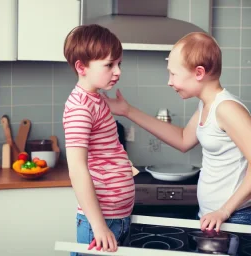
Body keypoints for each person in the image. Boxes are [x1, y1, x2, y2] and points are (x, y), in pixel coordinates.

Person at [103, 32, 251, 232]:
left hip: (234, 218)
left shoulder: (227, 109)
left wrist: (224, 211)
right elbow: (182, 140)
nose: (169, 81)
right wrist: (127, 111)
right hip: (213, 216)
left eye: (173, 74)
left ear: (199, 72)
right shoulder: (207, 105)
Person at [63, 24, 135, 255]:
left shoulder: (96, 99)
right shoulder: (80, 108)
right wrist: (99, 226)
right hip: (101, 224)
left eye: (119, 64)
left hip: (117, 218)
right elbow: (77, 169)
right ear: (81, 67)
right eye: (109, 65)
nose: (118, 71)